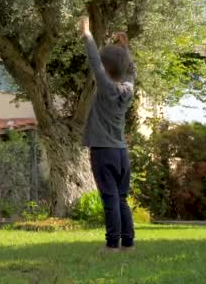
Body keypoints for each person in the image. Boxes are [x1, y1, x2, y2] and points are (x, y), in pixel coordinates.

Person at [80, 16, 136, 252]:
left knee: (110, 199)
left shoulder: (107, 89)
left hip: (103, 152)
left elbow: (94, 62)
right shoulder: (128, 89)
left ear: (106, 69)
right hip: (122, 153)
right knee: (121, 199)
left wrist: (87, 34)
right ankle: (128, 244)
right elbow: (131, 71)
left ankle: (112, 244)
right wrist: (126, 50)